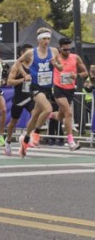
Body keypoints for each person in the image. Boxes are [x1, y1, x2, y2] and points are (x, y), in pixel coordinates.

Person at [15, 28, 64, 158]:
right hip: (35, 86)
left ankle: (25, 140)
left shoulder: (54, 51)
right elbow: (17, 62)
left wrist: (55, 64)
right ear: (39, 40)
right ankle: (36, 133)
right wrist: (25, 74)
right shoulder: (31, 53)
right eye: (44, 39)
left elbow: (61, 67)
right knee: (48, 109)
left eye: (48, 39)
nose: (46, 41)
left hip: (48, 87)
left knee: (36, 115)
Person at [52, 37, 88, 150]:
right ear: (60, 48)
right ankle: (71, 142)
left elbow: (85, 72)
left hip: (70, 90)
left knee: (59, 116)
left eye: (69, 49)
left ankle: (47, 114)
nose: (68, 52)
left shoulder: (75, 58)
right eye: (65, 50)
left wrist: (76, 76)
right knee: (68, 113)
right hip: (58, 88)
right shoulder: (55, 57)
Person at [5, 44, 35, 155]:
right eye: (28, 53)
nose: (30, 55)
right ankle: (8, 141)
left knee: (35, 115)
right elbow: (9, 82)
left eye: (31, 53)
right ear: (22, 54)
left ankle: (25, 137)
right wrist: (23, 79)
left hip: (30, 96)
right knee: (13, 122)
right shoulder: (17, 66)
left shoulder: (34, 65)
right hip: (19, 98)